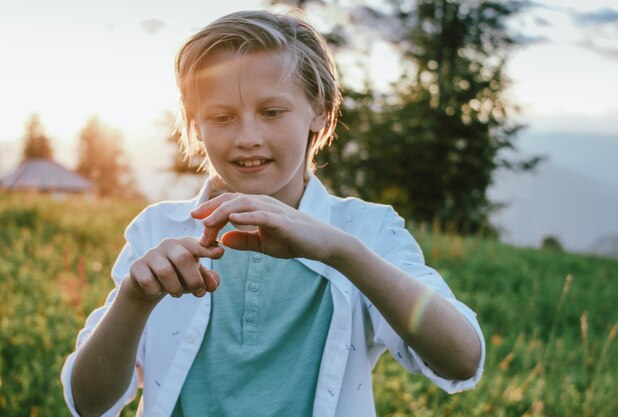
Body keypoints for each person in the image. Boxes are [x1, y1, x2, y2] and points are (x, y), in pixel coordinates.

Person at [61, 9, 485, 417]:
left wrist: (342, 253)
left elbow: (462, 360)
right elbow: (89, 403)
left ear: (319, 109)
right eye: (222, 117)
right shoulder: (157, 230)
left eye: (272, 112)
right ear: (195, 123)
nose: (248, 138)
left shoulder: (366, 231)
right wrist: (135, 300)